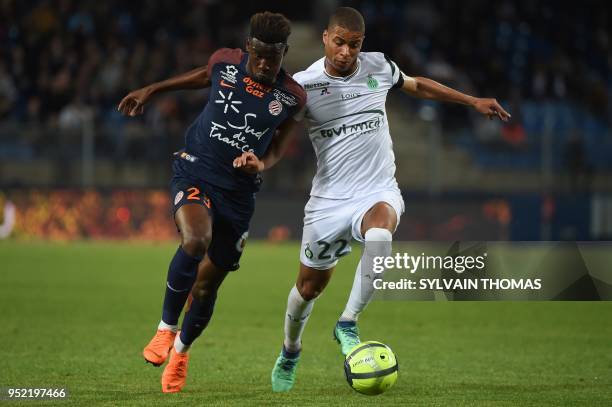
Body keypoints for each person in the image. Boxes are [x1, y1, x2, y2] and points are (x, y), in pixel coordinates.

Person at [270, 7, 510, 392]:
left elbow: (419, 85)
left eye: (355, 44)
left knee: (381, 237)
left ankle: (347, 323)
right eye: (340, 43)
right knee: (307, 289)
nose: (347, 52)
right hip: (329, 201)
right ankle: (290, 350)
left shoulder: (378, 66)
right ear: (325, 39)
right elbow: (278, 135)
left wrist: (471, 101)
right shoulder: (304, 85)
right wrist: (256, 158)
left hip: (377, 191)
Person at [117, 12, 306, 393]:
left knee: (206, 289)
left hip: (237, 195)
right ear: (250, 46)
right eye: (260, 55)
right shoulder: (225, 62)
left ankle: (181, 353)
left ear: (285, 52)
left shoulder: (292, 96)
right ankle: (165, 330)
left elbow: (279, 149)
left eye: (275, 57)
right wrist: (151, 89)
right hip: (195, 171)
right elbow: (199, 76)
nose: (266, 64)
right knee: (195, 240)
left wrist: (260, 163)